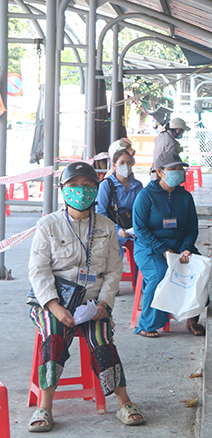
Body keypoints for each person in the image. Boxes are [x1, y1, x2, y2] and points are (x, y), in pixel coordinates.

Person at [27, 162, 145, 432]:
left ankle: (124, 402)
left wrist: (104, 304)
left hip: (93, 304)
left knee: (102, 340)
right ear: (63, 190)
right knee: (54, 337)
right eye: (74, 186)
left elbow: (115, 270)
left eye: (88, 186)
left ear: (96, 190)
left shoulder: (106, 225)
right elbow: (38, 270)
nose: (81, 192)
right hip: (53, 302)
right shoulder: (48, 225)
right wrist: (55, 307)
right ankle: (44, 407)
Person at [132, 149, 205, 337]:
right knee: (160, 274)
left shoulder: (185, 196)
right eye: (174, 168)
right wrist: (164, 250)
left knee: (198, 270)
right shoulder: (146, 196)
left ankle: (191, 318)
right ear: (160, 172)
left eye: (181, 168)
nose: (179, 171)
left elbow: (192, 228)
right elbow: (140, 230)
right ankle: (147, 324)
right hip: (149, 247)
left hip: (180, 245)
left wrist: (185, 249)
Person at [96, 148, 144, 256]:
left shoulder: (137, 186)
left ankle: (138, 272)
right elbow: (100, 213)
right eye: (121, 163)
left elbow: (142, 211)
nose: (125, 166)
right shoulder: (106, 185)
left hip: (132, 227)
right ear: (114, 165)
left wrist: (138, 229)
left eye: (128, 163)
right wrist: (118, 230)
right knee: (113, 249)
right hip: (110, 226)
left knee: (146, 246)